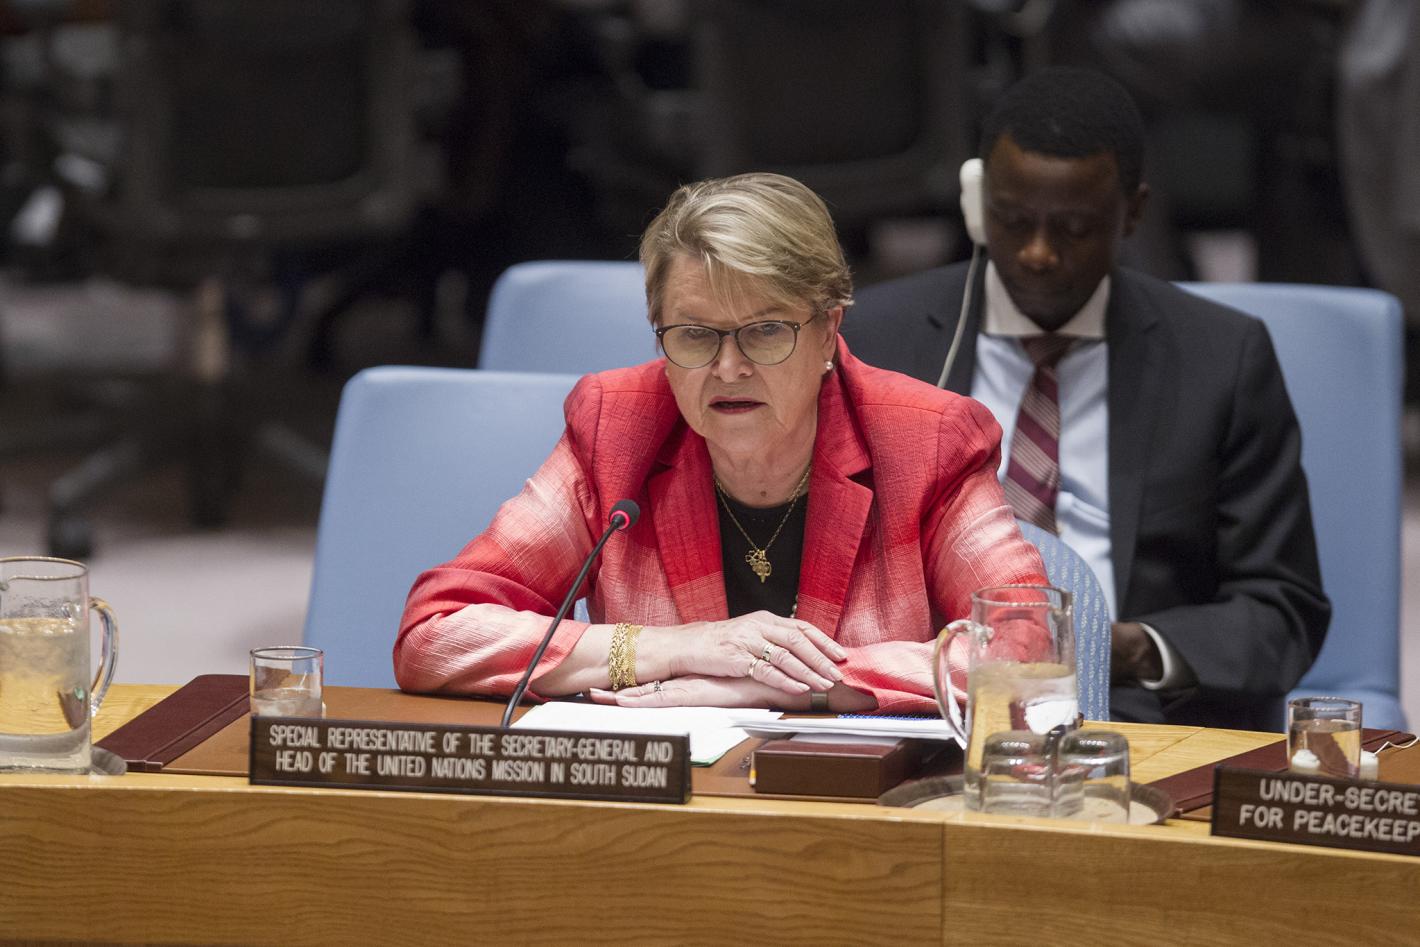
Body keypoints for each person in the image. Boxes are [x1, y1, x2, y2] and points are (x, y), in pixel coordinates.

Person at [396, 172, 1049, 714]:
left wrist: (783, 683)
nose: (728, 368)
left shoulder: (927, 440)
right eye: (694, 335)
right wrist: (673, 647)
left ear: (828, 331)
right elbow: (436, 633)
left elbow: (1025, 655)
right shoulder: (617, 429)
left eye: (764, 331)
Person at [844, 68, 1329, 729]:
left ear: (1134, 212)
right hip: (920, 700)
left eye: (1074, 227)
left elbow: (1282, 607)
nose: (1039, 253)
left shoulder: (1221, 358)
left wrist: (1120, 648)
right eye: (1013, 220)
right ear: (978, 203)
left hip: (1129, 711)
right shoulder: (876, 339)